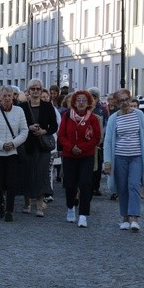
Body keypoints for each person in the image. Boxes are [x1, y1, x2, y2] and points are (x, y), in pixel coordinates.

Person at [103, 88, 144, 232]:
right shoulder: (113, 118)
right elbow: (108, 141)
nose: (124, 103)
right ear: (116, 103)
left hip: (136, 156)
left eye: (126, 99)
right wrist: (107, 161)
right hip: (119, 157)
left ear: (130, 99)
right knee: (122, 188)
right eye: (121, 101)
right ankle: (124, 217)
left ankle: (134, 218)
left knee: (134, 185)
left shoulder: (139, 115)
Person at [0, 85, 29, 222]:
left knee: (11, 183)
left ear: (13, 97)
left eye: (10, 96)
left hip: (13, 152)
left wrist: (14, 143)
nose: (7, 98)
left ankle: (10, 210)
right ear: (0, 97)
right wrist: (1, 144)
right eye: (4, 96)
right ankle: (0, 203)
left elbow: (24, 131)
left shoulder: (19, 111)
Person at [58, 90, 101, 228]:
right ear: (74, 103)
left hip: (86, 155)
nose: (81, 103)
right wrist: (71, 147)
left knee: (85, 183)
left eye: (84, 100)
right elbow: (61, 136)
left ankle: (83, 214)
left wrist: (81, 147)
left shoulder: (93, 118)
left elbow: (96, 138)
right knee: (70, 184)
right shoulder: (66, 117)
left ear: (88, 103)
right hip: (70, 155)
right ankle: (70, 207)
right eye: (78, 100)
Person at [19, 79, 58, 217]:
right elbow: (18, 125)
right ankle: (27, 203)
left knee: (41, 175)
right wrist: (28, 128)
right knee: (27, 173)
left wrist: (44, 131)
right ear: (28, 91)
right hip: (27, 144)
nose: (36, 91)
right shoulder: (22, 107)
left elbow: (54, 126)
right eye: (33, 89)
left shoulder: (48, 106)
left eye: (38, 88)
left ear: (41, 90)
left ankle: (40, 206)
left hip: (42, 146)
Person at [87, 87, 108, 196]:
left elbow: (105, 124)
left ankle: (96, 186)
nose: (93, 99)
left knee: (98, 166)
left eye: (94, 97)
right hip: (87, 142)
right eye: (91, 96)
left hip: (99, 142)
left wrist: (101, 137)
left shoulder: (102, 109)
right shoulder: (85, 108)